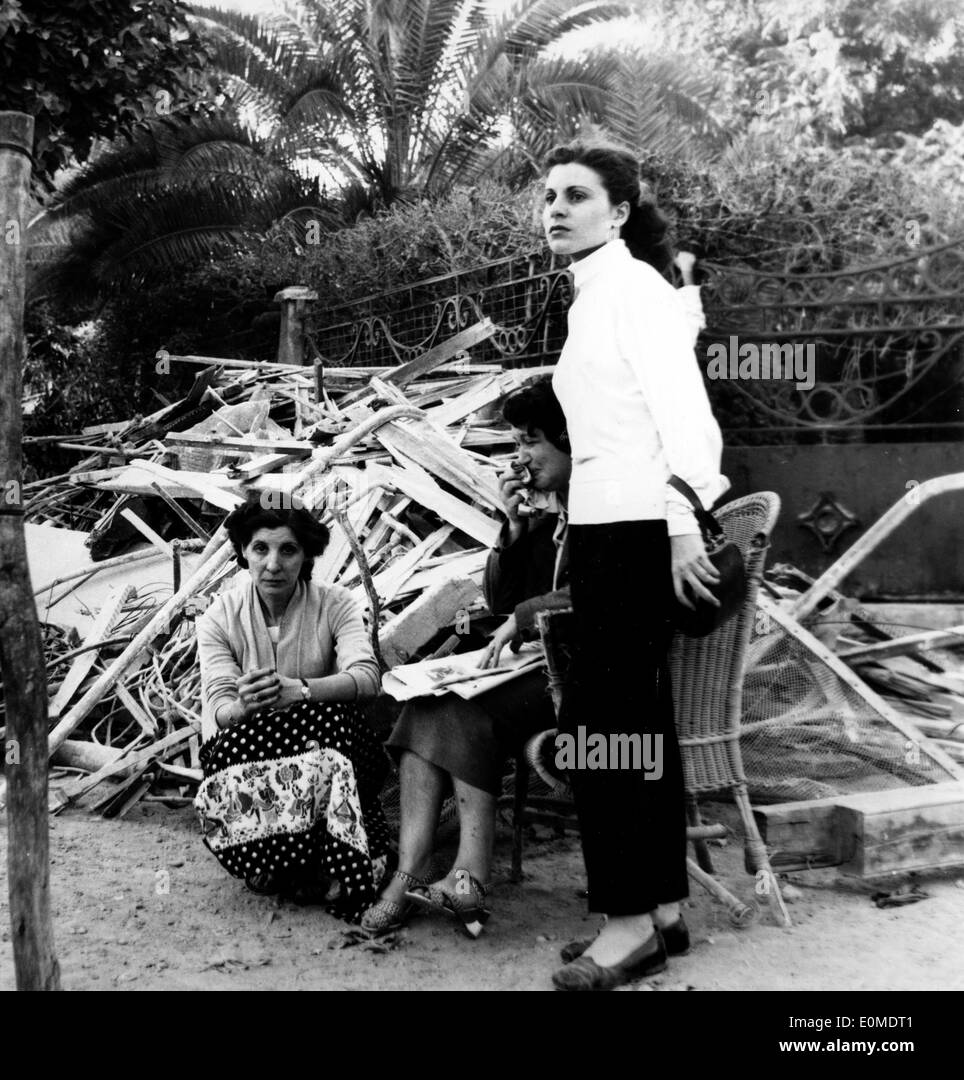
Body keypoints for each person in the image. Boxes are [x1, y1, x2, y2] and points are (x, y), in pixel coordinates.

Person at [541, 140, 728, 991]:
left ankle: (625, 925)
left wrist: (685, 519)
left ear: (617, 213)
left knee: (601, 727)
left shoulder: (636, 292)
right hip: (606, 529)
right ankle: (659, 909)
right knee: (634, 724)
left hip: (639, 532)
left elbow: (687, 420)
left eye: (576, 195)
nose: (556, 207)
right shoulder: (591, 297)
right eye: (548, 195)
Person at [360, 378, 572, 939]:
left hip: (584, 685)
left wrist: (527, 614)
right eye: (517, 443)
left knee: (462, 710)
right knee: (421, 707)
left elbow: (596, 592)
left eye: (531, 441)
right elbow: (502, 602)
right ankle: (410, 874)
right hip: (541, 668)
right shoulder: (557, 515)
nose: (520, 457)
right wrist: (514, 529)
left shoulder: (603, 510)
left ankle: (470, 874)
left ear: (569, 436)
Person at [192, 495, 391, 920]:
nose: (273, 564)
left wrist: (300, 691)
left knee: (332, 720)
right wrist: (244, 705)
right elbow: (219, 707)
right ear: (243, 553)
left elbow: (367, 677)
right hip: (255, 753)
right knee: (233, 742)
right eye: (260, 548)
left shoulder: (335, 603)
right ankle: (276, 860)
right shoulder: (218, 617)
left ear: (307, 555)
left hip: (323, 745)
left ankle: (332, 859)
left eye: (288, 550)